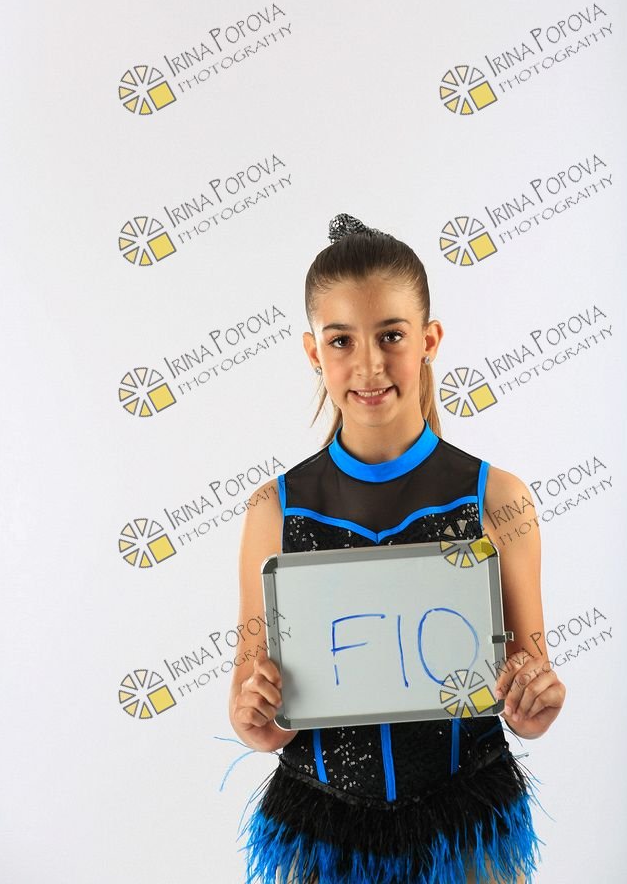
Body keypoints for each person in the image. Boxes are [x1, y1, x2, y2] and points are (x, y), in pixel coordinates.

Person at [228, 213, 566, 883]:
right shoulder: (274, 510)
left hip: (463, 832)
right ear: (313, 352)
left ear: (428, 339)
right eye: (341, 340)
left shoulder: (496, 499)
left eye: (391, 335)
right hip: (322, 835)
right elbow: (254, 708)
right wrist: (257, 717)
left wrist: (535, 704)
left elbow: (527, 688)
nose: (369, 365)